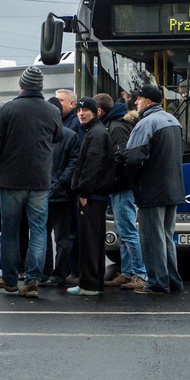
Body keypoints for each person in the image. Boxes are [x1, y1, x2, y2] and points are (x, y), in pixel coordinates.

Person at [0, 66, 62, 299]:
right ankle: (32, 280)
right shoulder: (51, 110)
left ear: (21, 86)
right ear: (40, 87)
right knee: (38, 230)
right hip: (40, 181)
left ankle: (9, 279)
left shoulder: (8, 109)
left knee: (10, 231)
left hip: (10, 181)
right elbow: (58, 136)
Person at [124, 85, 185, 295]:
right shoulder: (173, 120)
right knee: (167, 237)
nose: (135, 103)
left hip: (152, 189)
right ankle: (173, 281)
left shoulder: (146, 123)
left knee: (151, 239)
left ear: (148, 102)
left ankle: (158, 283)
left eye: (138, 99)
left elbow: (133, 159)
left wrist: (129, 179)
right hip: (173, 188)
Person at [95, 92, 147, 290]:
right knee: (124, 231)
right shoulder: (119, 123)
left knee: (127, 231)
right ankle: (127, 272)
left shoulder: (115, 127)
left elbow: (122, 155)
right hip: (122, 185)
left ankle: (140, 274)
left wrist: (111, 176)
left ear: (99, 111)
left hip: (121, 186)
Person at [68, 97, 118, 296]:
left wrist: (84, 192)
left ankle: (89, 284)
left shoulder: (95, 134)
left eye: (85, 110)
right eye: (79, 111)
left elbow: (92, 165)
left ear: (95, 112)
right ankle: (93, 282)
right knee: (94, 241)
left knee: (89, 241)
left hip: (91, 195)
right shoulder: (96, 131)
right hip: (96, 195)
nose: (81, 114)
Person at [43, 97, 80, 287]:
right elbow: (73, 163)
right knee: (59, 238)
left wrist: (57, 182)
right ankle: (56, 273)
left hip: (52, 193)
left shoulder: (64, 135)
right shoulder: (70, 135)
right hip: (59, 193)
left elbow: (73, 163)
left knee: (51, 237)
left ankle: (52, 273)